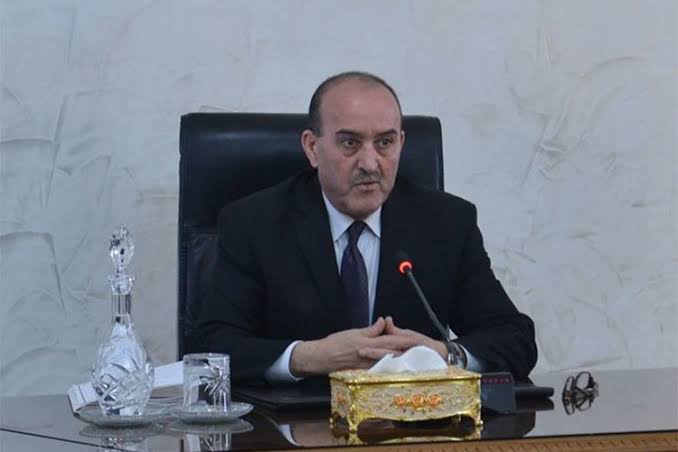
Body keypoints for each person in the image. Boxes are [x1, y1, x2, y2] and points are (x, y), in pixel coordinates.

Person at [196, 71, 537, 382]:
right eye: (350, 143)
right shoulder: (254, 223)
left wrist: (445, 355)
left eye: (385, 143)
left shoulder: (447, 224)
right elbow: (212, 346)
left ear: (401, 143)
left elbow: (514, 338)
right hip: (297, 422)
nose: (370, 163)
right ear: (312, 148)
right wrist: (309, 357)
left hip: (411, 422)